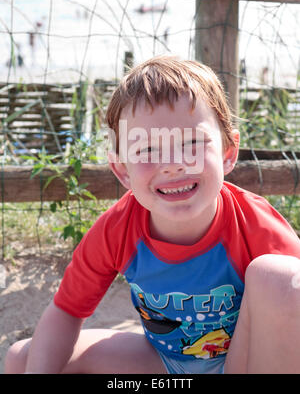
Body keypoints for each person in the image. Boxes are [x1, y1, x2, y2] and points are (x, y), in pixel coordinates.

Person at [5, 56, 300, 374]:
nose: (172, 164)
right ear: (122, 171)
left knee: (282, 277)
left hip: (242, 363)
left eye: (191, 143)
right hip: (164, 364)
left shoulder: (253, 223)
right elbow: (66, 311)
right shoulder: (118, 229)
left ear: (228, 152)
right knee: (22, 358)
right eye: (147, 150)